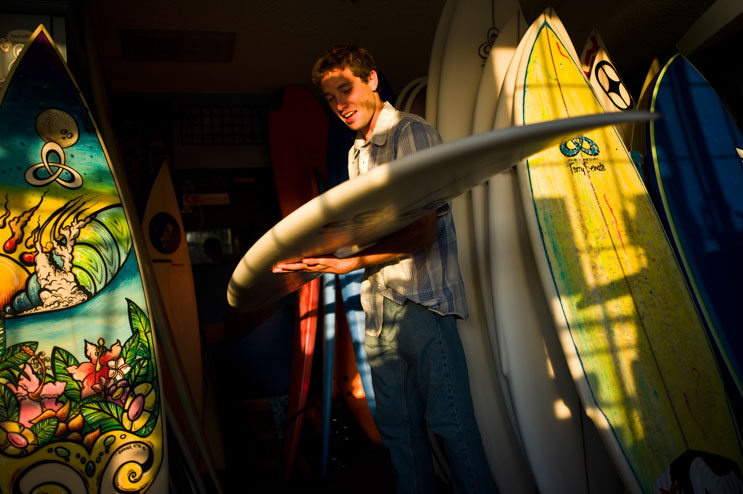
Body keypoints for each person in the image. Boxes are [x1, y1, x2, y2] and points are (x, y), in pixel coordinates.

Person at [273, 43, 494, 493]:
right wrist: (311, 258)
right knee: (400, 437)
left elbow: (421, 235)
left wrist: (352, 261)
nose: (339, 105)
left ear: (371, 80)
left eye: (345, 89)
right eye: (330, 98)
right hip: (378, 314)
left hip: (424, 307)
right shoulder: (357, 152)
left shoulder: (411, 134)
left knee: (452, 429)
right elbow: (369, 234)